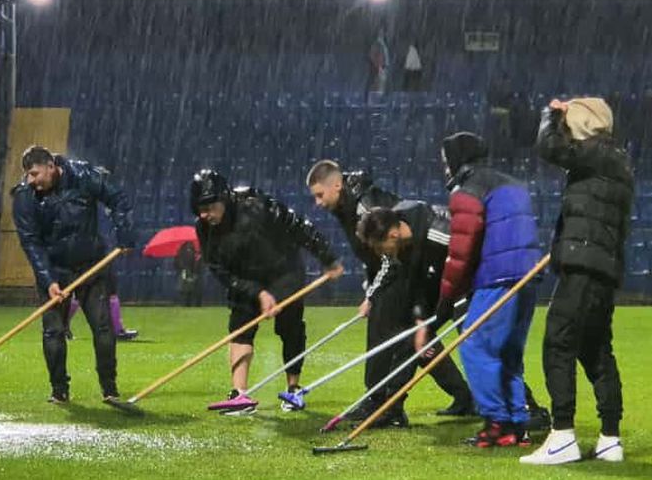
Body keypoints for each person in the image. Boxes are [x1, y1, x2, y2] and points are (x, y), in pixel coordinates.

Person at [306, 160, 471, 419]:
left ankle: (381, 402)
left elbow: (386, 256)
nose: (317, 202)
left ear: (336, 185)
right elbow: (376, 256)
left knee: (395, 335)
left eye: (319, 194)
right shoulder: (347, 207)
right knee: (414, 335)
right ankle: (453, 397)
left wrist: (373, 294)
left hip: (407, 272)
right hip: (408, 270)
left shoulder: (366, 208)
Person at [522, 97, 633, 465]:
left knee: (558, 342)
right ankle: (610, 438)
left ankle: (562, 434)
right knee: (595, 350)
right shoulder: (615, 159)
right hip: (602, 267)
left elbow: (549, 147)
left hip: (584, 265)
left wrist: (551, 114)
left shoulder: (597, 152)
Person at [193, 169, 343, 415]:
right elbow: (218, 269)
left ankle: (293, 389)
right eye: (201, 209)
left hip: (284, 270)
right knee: (239, 329)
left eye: (210, 207)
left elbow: (298, 226)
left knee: (291, 329)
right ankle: (239, 394)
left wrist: (327, 257)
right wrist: (257, 293)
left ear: (224, 199)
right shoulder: (203, 228)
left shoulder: (257, 205)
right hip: (244, 277)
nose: (205, 215)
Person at [433, 133, 541, 448]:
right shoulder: (514, 184)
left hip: (496, 278)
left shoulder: (467, 191)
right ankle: (517, 424)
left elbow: (461, 251)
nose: (444, 167)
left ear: (456, 159)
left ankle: (497, 422)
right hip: (528, 275)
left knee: (475, 347)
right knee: (509, 353)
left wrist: (447, 296)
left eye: (445, 160)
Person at [11, 145, 135, 404]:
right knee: (53, 331)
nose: (31, 181)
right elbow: (31, 242)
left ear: (51, 166)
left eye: (35, 174)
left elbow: (118, 199)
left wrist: (124, 233)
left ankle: (109, 388)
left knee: (103, 327)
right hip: (54, 269)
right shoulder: (24, 197)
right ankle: (59, 390)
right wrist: (48, 280)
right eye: (28, 175)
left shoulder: (84, 175)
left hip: (91, 265)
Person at [355, 202, 474, 417]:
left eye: (379, 247)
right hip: (439, 287)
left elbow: (466, 261)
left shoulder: (439, 232)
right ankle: (394, 407)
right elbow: (416, 283)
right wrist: (419, 320)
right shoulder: (400, 241)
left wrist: (423, 323)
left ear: (392, 235)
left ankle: (523, 405)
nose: (379, 252)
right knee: (413, 338)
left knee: (479, 347)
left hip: (467, 286)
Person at [174, 240, 203, 307]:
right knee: (186, 288)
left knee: (190, 288)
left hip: (192, 272)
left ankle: (189, 303)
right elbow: (177, 263)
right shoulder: (181, 252)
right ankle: (187, 303)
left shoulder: (195, 252)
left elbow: (177, 263)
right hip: (187, 272)